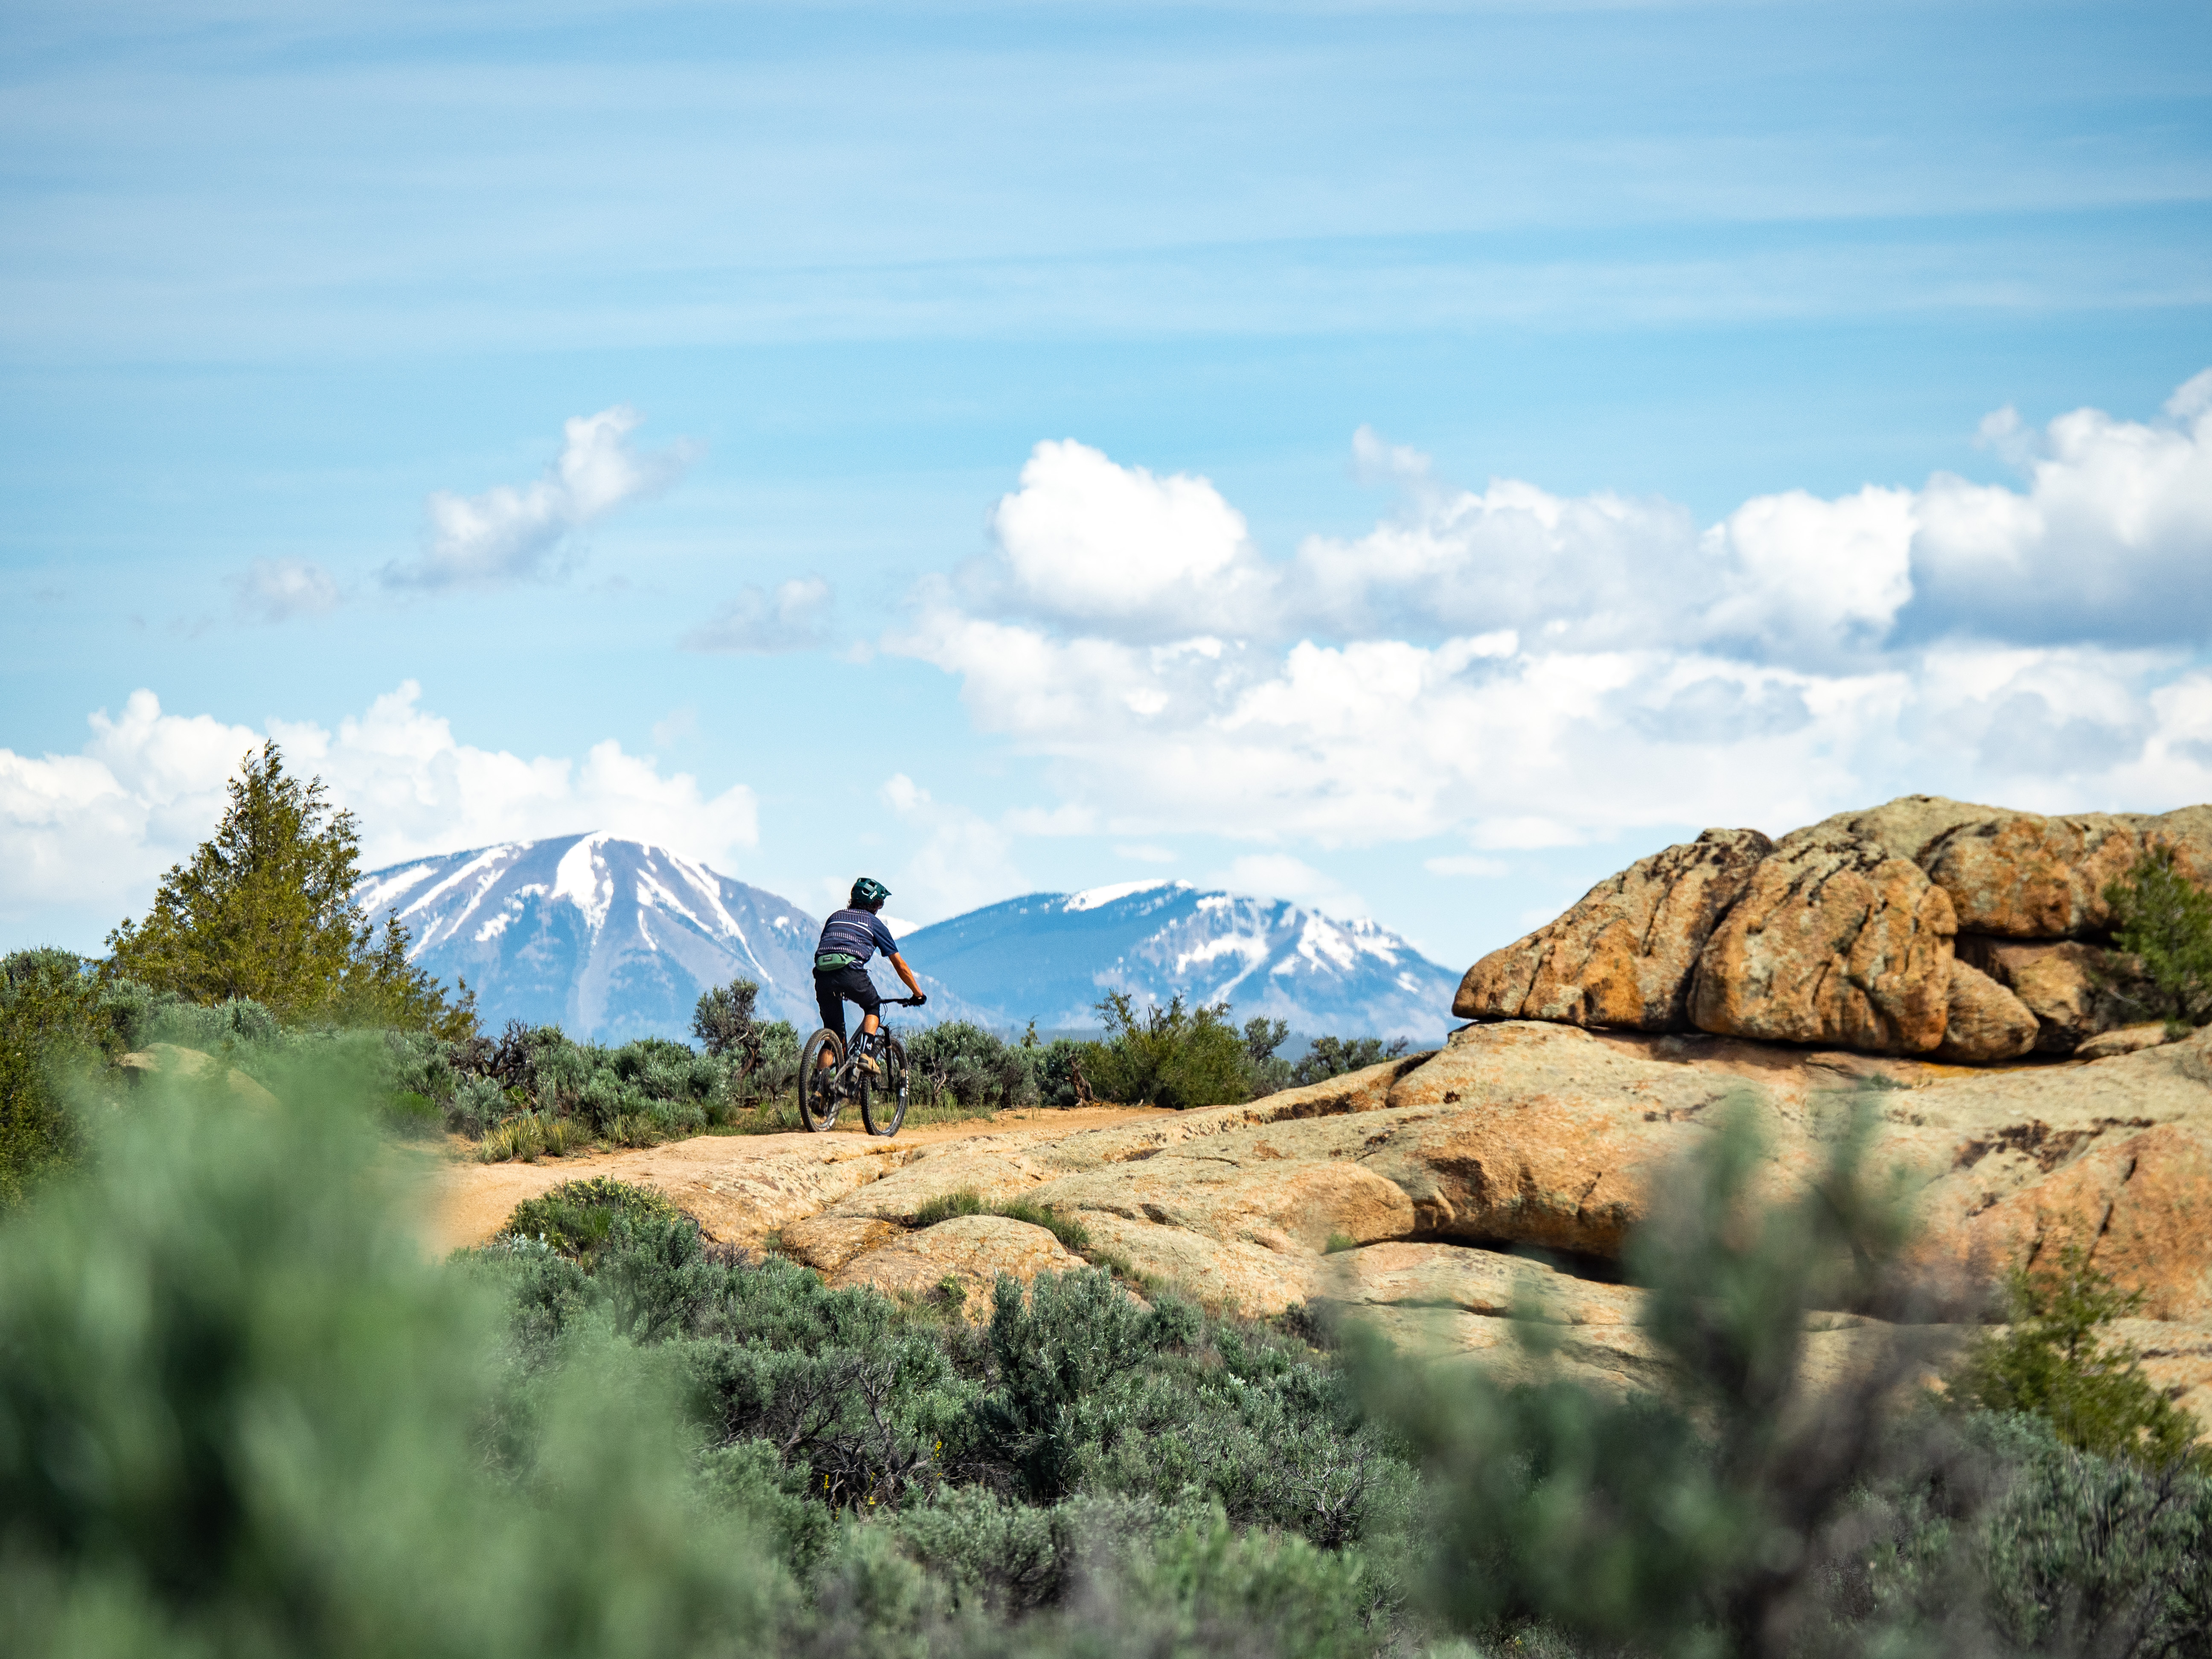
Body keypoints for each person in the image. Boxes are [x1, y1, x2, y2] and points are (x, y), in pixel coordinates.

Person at [812, 876, 924, 1076]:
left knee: (833, 1035)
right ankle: (866, 1054)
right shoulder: (873, 922)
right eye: (879, 904)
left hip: (822, 975)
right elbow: (900, 965)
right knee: (873, 1006)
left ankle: (818, 1089)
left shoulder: (835, 917)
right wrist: (918, 994)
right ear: (875, 905)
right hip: (850, 972)